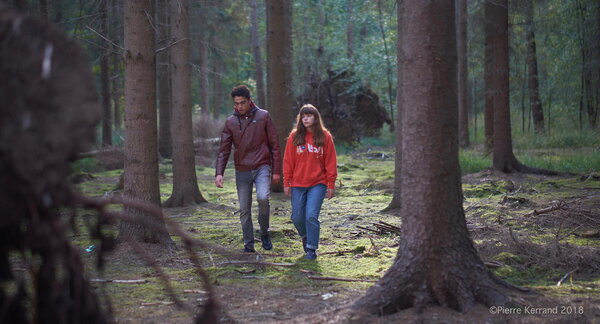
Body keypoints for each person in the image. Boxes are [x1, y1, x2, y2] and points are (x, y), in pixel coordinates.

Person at [215, 85, 281, 253]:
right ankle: (248, 244)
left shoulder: (263, 116)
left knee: (262, 198)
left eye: (242, 103)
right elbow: (224, 149)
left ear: (249, 101)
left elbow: (275, 145)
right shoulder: (230, 121)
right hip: (242, 169)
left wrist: (276, 171)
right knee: (244, 208)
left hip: (262, 166)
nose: (239, 107)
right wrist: (219, 173)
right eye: (236, 103)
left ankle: (265, 232)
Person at [283, 104, 337, 260]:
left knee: (311, 216)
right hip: (298, 184)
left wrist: (331, 184)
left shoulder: (325, 136)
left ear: (315, 117)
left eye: (309, 115)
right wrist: (287, 182)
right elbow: (288, 161)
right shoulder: (295, 136)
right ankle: (305, 236)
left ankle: (312, 249)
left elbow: (330, 161)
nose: (305, 118)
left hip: (318, 184)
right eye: (303, 116)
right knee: (297, 217)